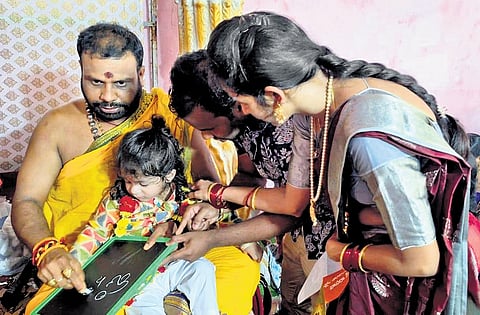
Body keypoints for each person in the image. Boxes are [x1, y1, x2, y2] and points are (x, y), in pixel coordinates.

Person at [165, 11, 475, 314]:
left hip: (399, 286)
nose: (242, 111)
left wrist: (342, 253)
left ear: (273, 96)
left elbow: (421, 260)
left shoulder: (369, 140)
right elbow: (294, 200)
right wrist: (215, 210)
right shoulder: (308, 113)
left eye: (243, 103)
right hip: (358, 269)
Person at [11, 22, 259, 315]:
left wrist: (184, 219)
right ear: (80, 71)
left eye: (120, 83)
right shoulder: (56, 126)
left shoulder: (168, 112)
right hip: (90, 253)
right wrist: (48, 250)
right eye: (94, 82)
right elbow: (26, 201)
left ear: (141, 74)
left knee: (237, 271)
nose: (107, 96)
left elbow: (205, 182)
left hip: (172, 241)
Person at [168, 49, 332, 314]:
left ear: (234, 106)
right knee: (293, 306)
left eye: (210, 129)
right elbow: (250, 174)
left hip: (327, 241)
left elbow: (293, 210)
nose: (208, 138)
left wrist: (212, 238)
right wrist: (216, 205)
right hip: (294, 240)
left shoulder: (283, 126)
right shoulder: (241, 128)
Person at [70, 115, 218, 314]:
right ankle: (171, 301)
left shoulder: (184, 196)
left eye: (143, 183)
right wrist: (73, 263)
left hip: (173, 266)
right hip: (137, 280)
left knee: (203, 269)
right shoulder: (117, 202)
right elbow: (94, 232)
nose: (134, 190)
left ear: (169, 175)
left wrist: (246, 241)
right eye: (128, 181)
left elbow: (213, 218)